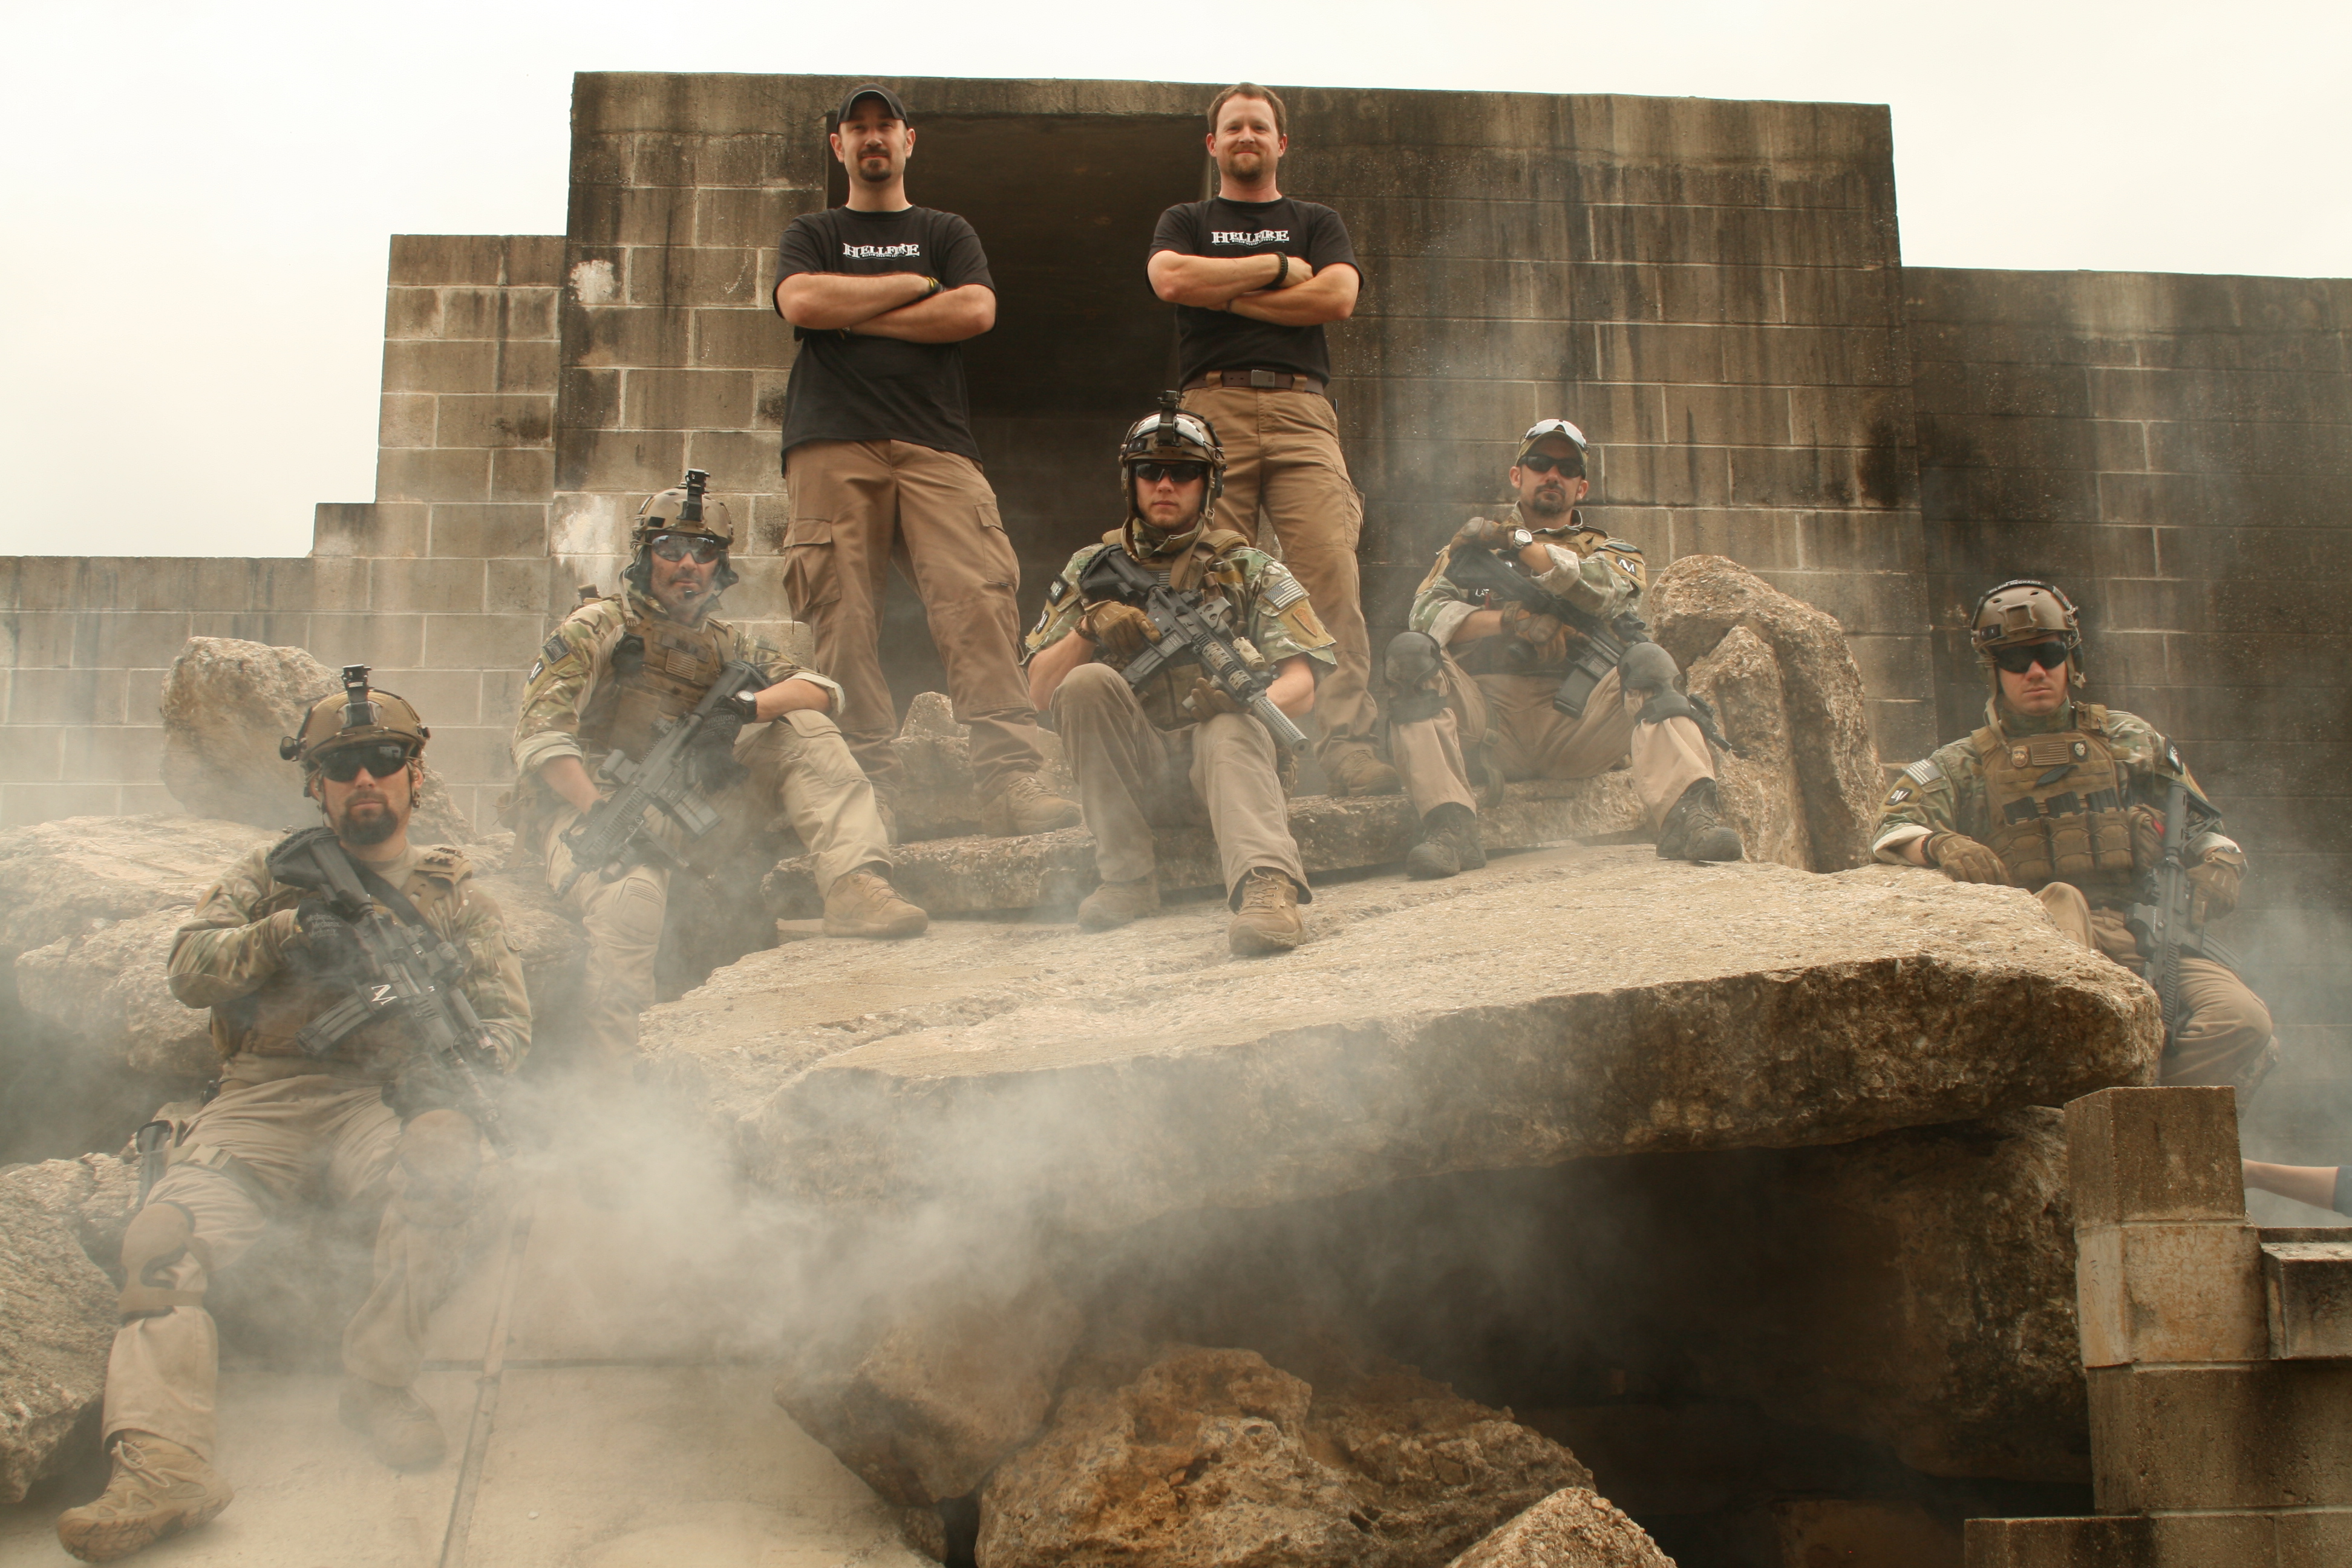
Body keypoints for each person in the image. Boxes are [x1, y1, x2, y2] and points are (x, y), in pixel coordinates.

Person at [56, 676, 529, 1563]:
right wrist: (280, 935)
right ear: (315, 785)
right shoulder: (270, 876)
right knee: (159, 1235)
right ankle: (163, 1467)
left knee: (453, 1164)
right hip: (262, 1097)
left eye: (383, 761)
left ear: (416, 775)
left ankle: (379, 1385)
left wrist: (459, 1078)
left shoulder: (454, 898)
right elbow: (187, 970)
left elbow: (506, 1023)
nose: (364, 780)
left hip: (377, 1102)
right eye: (340, 766)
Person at [509, 474, 923, 1068]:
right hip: (593, 810)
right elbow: (540, 736)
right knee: (629, 899)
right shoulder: (599, 626)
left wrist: (743, 710)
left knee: (803, 727)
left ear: (719, 567)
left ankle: (855, 885)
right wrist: (598, 811)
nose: (687, 564)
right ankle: (614, 1087)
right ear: (644, 556)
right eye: (670, 549)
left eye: (704, 553)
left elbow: (823, 689)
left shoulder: (729, 646)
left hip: (690, 814)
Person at [771, 82, 1079, 840]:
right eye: (858, 128)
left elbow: (974, 311)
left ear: (911, 142)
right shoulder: (811, 230)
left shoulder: (946, 229)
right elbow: (803, 304)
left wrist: (859, 309)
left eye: (886, 127)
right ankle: (872, 787)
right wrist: (913, 289)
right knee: (842, 618)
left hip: (936, 443)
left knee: (976, 600)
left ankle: (1008, 781)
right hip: (830, 438)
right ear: (838, 146)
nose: (873, 139)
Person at [1872, 578, 2276, 1089]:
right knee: (2061, 900)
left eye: (2048, 653)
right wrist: (1939, 843)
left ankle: (2133, 1102)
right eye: (2017, 660)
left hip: (2139, 932)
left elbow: (2199, 823)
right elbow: (1891, 826)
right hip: (2037, 939)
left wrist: (2221, 860)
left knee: (2244, 1022)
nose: (2036, 671)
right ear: (1994, 672)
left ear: (2071, 659)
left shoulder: (2128, 739)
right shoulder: (1964, 763)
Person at [1146, 82, 1392, 799]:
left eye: (1259, 126)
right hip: (1209, 410)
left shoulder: (1317, 219)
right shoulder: (1186, 218)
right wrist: (1279, 272)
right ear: (1213, 144)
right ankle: (1220, 745)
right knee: (1207, 584)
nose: (1246, 136)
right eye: (1233, 127)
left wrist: (1219, 291)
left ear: (1280, 143)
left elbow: (1338, 298)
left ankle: (1346, 745)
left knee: (1328, 577)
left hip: (1301, 408)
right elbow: (1168, 278)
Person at [1023, 399, 1334, 955]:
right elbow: (1042, 692)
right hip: (1136, 774)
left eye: (1185, 472)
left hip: (1226, 772)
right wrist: (1089, 629)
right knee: (1085, 684)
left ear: (1208, 484)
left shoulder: (1249, 569)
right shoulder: (1089, 569)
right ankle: (1127, 878)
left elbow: (1302, 686)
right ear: (1131, 481)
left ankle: (1266, 886)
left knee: (1232, 723)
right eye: (1150, 471)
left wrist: (1238, 700)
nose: (1165, 484)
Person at [1384, 418, 1743, 877]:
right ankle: (1449, 829)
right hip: (1489, 728)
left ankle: (1688, 819)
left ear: (1582, 486)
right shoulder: (1471, 549)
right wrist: (1513, 622)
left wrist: (1518, 542)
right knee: (1411, 654)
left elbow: (1607, 592)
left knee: (1650, 662)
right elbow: (1424, 616)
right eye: (1539, 463)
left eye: (1567, 468)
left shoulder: (1613, 552)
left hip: (1581, 727)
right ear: (1518, 476)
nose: (1552, 474)